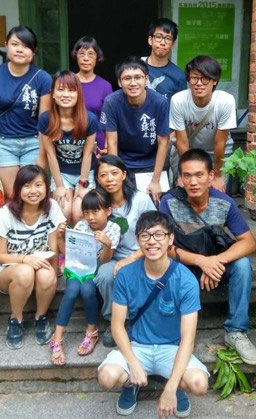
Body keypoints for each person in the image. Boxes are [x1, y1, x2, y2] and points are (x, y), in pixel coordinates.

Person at [97, 211, 208, 417]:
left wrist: (171, 388)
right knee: (106, 377)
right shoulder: (126, 275)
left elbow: (188, 339)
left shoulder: (185, 280)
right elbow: (117, 325)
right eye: (145, 235)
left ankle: (176, 386)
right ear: (138, 240)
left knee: (199, 384)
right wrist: (133, 363)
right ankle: (131, 384)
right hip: (137, 346)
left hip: (172, 348)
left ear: (170, 239)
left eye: (159, 235)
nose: (152, 241)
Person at [159, 148, 256, 366]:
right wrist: (201, 261)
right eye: (187, 176)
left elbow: (249, 242)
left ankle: (235, 331)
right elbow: (163, 247)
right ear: (180, 179)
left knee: (243, 265)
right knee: (161, 266)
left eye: (199, 175)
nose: (193, 182)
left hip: (215, 267)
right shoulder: (168, 202)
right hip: (184, 266)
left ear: (211, 176)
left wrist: (215, 261)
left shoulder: (224, 202)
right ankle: (172, 331)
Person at [0, 165, 66, 349]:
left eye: (38, 185)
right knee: (25, 272)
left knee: (47, 274)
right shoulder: (5, 214)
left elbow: (52, 248)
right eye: (27, 185)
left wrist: (53, 275)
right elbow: (0, 256)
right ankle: (16, 319)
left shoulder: (51, 208)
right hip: (8, 270)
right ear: (18, 189)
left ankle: (41, 317)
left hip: (39, 264)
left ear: (46, 187)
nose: (33, 191)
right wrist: (25, 259)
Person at [0, 26, 52, 199]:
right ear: (6, 45)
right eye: (15, 44)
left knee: (33, 194)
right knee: (13, 195)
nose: (20, 50)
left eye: (26, 46)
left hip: (33, 143)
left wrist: (43, 154)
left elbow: (44, 120)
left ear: (33, 51)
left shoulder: (43, 78)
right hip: (4, 143)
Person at [50, 190, 121, 365]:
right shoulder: (81, 226)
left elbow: (105, 262)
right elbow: (68, 253)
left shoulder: (113, 228)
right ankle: (57, 337)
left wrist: (107, 244)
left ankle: (92, 331)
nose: (90, 217)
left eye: (95, 212)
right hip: (77, 267)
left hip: (95, 269)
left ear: (108, 211)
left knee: (88, 290)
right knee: (71, 291)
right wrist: (60, 237)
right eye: (86, 212)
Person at [94, 155, 155, 347]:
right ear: (98, 179)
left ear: (124, 174)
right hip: (110, 258)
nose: (109, 179)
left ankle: (138, 318)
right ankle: (115, 320)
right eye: (103, 175)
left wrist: (131, 258)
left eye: (114, 173)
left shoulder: (140, 200)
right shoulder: (97, 205)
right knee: (105, 274)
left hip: (142, 255)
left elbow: (155, 233)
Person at [100, 57, 170, 203]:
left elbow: (163, 143)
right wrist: (116, 175)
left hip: (152, 163)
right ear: (120, 82)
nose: (133, 83)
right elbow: (112, 142)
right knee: (120, 204)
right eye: (127, 78)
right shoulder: (112, 102)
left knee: (155, 205)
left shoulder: (160, 102)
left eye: (138, 77)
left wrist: (156, 180)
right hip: (124, 162)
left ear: (146, 79)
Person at [38, 71, 99, 224]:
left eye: (71, 90)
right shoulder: (46, 119)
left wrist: (83, 184)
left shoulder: (90, 119)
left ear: (78, 94)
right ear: (53, 93)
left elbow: (88, 155)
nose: (66, 95)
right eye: (60, 89)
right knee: (63, 212)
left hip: (85, 173)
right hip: (62, 173)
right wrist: (59, 186)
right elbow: (50, 155)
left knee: (79, 213)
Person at [169, 56, 237, 192]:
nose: (199, 83)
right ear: (188, 79)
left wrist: (217, 175)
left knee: (217, 194)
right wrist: (185, 172)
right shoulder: (178, 100)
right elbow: (182, 142)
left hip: (218, 153)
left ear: (214, 80)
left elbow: (219, 142)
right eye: (194, 78)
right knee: (186, 191)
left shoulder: (225, 101)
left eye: (205, 78)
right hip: (189, 152)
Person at [72, 36, 113, 154]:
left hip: (97, 145)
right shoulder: (68, 83)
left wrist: (107, 145)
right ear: (76, 56)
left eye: (91, 54)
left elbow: (109, 119)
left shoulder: (105, 86)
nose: (86, 58)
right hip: (71, 142)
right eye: (81, 53)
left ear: (97, 57)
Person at [143, 18, 187, 101]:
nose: (162, 43)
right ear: (150, 40)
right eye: (158, 37)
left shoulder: (179, 76)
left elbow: (180, 106)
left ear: (173, 44)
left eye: (168, 38)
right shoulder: (137, 66)